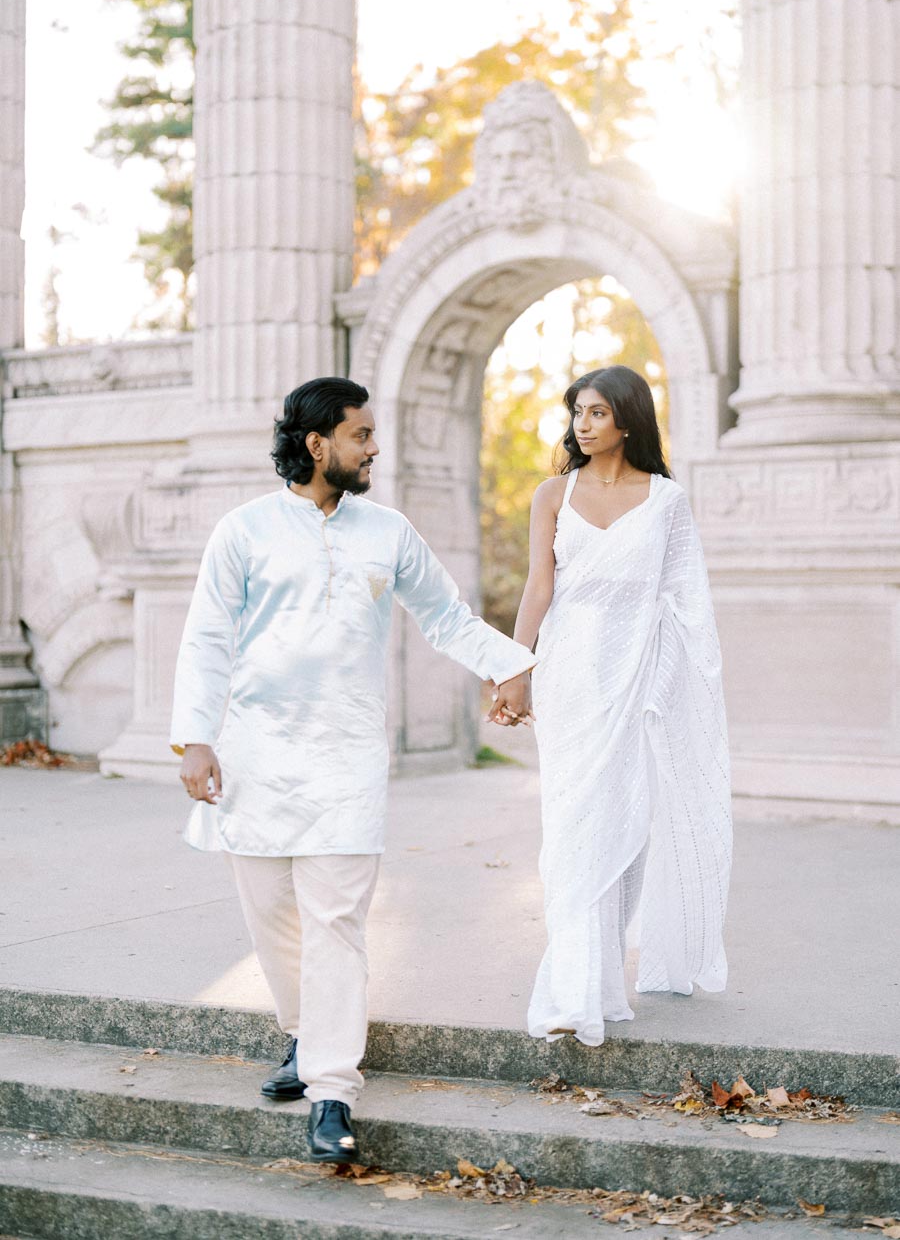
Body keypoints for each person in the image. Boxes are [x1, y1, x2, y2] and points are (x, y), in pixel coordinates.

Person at [171, 377, 536, 1162]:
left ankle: (332, 1090)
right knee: (273, 919)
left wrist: (509, 666)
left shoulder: (388, 531)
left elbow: (445, 615)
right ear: (316, 445)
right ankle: (304, 1038)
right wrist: (194, 739)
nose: (374, 448)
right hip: (256, 756)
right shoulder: (244, 531)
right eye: (361, 435)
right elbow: (206, 637)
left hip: (347, 757)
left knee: (336, 923)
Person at [491, 365, 731, 1047]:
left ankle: (601, 981)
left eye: (596, 413)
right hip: (570, 675)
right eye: (577, 413)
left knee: (624, 819)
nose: (582, 425)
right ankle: (574, 988)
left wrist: (676, 688)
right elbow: (541, 586)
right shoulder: (552, 493)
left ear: (627, 420)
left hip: (637, 678)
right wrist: (514, 668)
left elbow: (689, 602)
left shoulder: (666, 501)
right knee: (572, 824)